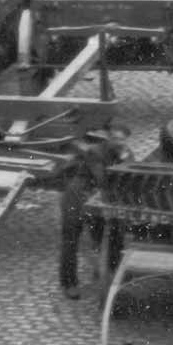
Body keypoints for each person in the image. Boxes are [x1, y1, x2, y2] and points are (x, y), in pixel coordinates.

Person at [59, 124, 130, 300]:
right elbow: (102, 179)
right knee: (71, 239)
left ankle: (106, 270)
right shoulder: (95, 152)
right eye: (115, 138)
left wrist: (126, 159)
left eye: (122, 139)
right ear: (108, 137)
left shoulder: (124, 152)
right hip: (77, 197)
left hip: (97, 199)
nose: (118, 142)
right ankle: (69, 283)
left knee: (106, 233)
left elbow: (130, 172)